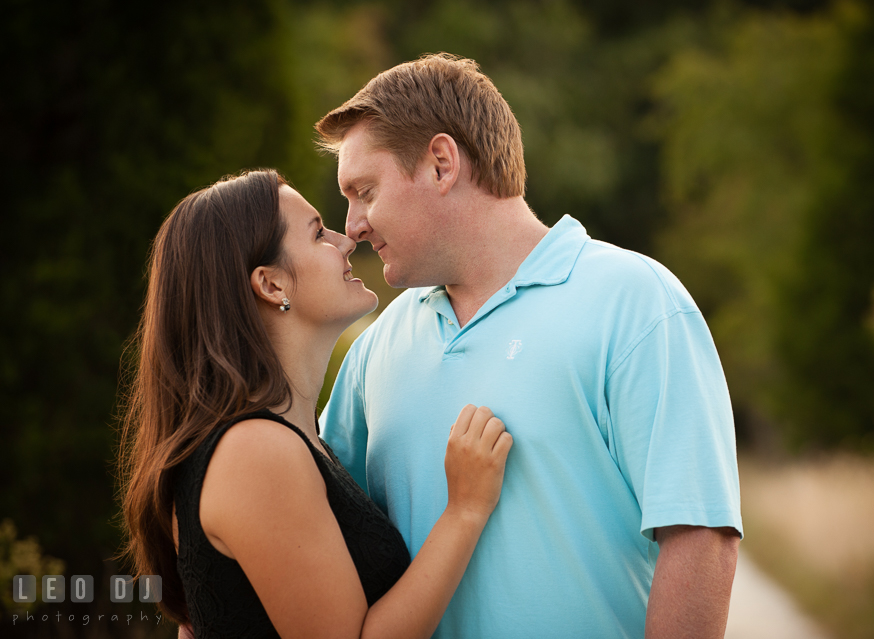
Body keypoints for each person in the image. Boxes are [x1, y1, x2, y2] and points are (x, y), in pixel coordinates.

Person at [316, 53, 743, 638]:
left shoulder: (636, 301)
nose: (354, 225)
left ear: (441, 164)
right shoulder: (373, 349)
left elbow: (700, 539)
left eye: (364, 191)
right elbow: (315, 534)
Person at [118, 169, 512, 638]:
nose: (346, 240)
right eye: (318, 233)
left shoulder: (277, 442)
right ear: (272, 285)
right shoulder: (255, 452)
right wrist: (464, 511)